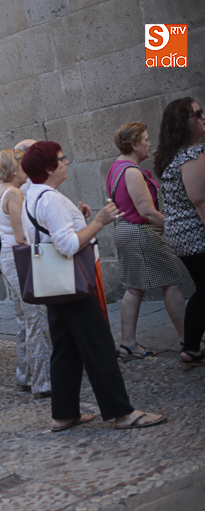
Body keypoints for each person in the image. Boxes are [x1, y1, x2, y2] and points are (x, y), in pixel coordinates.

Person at [22, 141, 165, 430]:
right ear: (51, 168)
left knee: (65, 348)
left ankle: (63, 414)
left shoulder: (33, 195)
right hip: (72, 281)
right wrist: (99, 221)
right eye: (62, 159)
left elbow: (52, 236)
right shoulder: (50, 198)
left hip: (54, 283)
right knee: (98, 346)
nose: (66, 163)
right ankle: (122, 413)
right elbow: (67, 245)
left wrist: (80, 219)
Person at [107, 122, 185, 360]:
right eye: (146, 139)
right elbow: (147, 212)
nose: (150, 143)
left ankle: (128, 344)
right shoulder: (131, 171)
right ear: (134, 144)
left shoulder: (116, 168)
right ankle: (189, 340)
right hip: (141, 233)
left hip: (126, 232)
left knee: (134, 288)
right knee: (172, 282)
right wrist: (176, 229)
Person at [0, 149, 51, 397]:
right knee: (35, 318)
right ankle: (42, 382)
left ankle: (24, 375)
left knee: (23, 319)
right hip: (19, 258)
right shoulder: (13, 193)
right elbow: (21, 236)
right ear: (15, 169)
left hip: (8, 258)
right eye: (23, 165)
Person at [153, 98, 205, 367]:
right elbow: (200, 200)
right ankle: (192, 346)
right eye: (197, 114)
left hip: (181, 235)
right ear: (183, 124)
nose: (203, 117)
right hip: (196, 235)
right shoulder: (191, 155)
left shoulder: (173, 156)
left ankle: (192, 347)